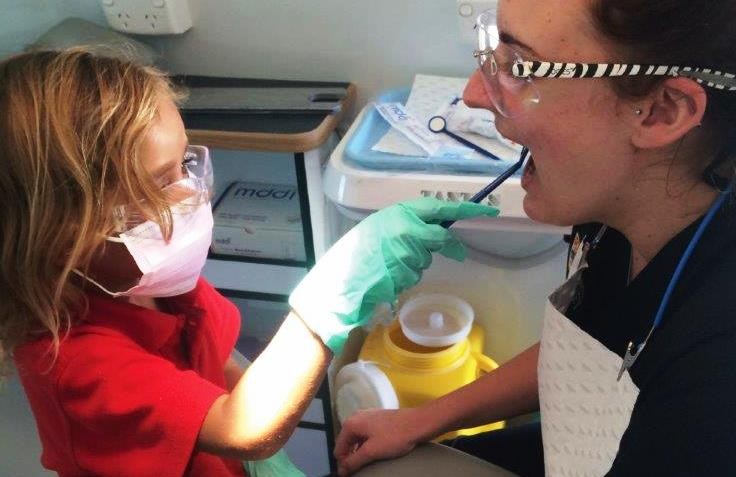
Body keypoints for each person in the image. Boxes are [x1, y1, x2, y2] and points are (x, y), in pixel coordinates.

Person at [0, 49, 497, 477]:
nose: (192, 193)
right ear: (60, 232)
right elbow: (245, 429)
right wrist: (333, 293)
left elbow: (218, 358)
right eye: (159, 182)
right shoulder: (71, 359)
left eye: (185, 166)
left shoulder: (157, 286)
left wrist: (259, 435)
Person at [334, 0, 736, 476]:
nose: (475, 94)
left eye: (520, 68)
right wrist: (422, 419)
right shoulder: (623, 203)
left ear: (661, 111)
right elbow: (590, 347)